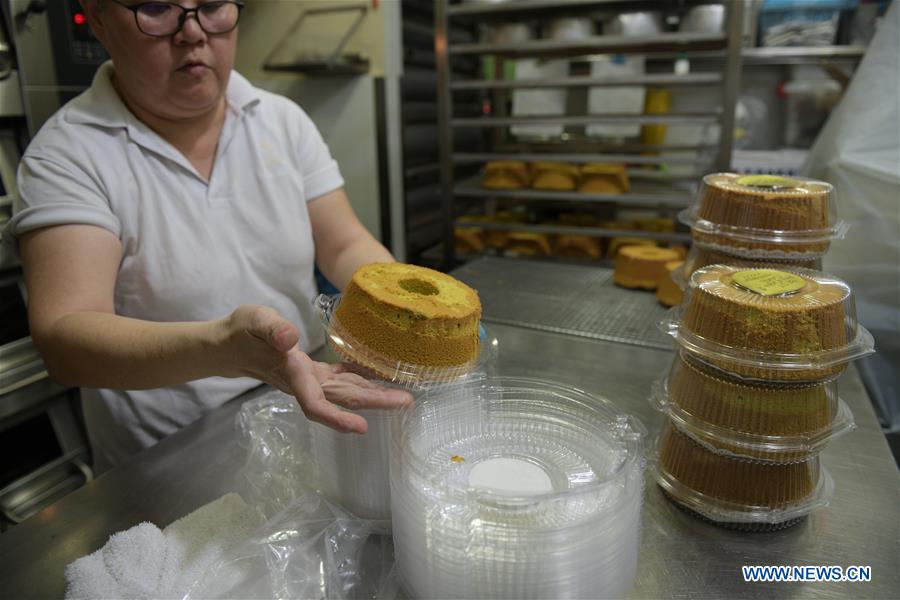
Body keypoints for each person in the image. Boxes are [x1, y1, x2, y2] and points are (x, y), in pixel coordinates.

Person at [1, 0, 412, 472]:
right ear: (98, 19)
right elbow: (66, 338)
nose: (193, 32)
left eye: (213, 5)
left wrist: (401, 307)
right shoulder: (69, 154)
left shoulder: (280, 120)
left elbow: (343, 244)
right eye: (157, 7)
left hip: (306, 411)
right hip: (168, 461)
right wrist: (224, 349)